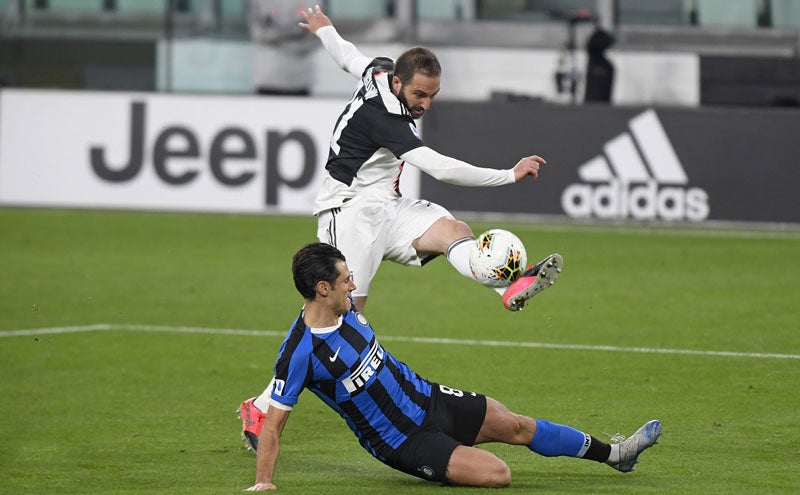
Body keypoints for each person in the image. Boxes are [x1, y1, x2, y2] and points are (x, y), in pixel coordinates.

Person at [244, 243, 661, 491]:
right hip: (402, 441)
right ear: (322, 289)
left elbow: (410, 249)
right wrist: (264, 482)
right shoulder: (300, 352)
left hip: (428, 397)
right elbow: (274, 425)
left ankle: (617, 454)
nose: (354, 285)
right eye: (346, 279)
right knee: (498, 475)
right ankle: (450, 457)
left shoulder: (347, 306)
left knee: (515, 424)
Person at [248, 0, 318, 96]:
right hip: (269, 78)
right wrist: (294, 34)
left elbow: (316, 35)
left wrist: (277, 36)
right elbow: (257, 32)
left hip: (299, 79)